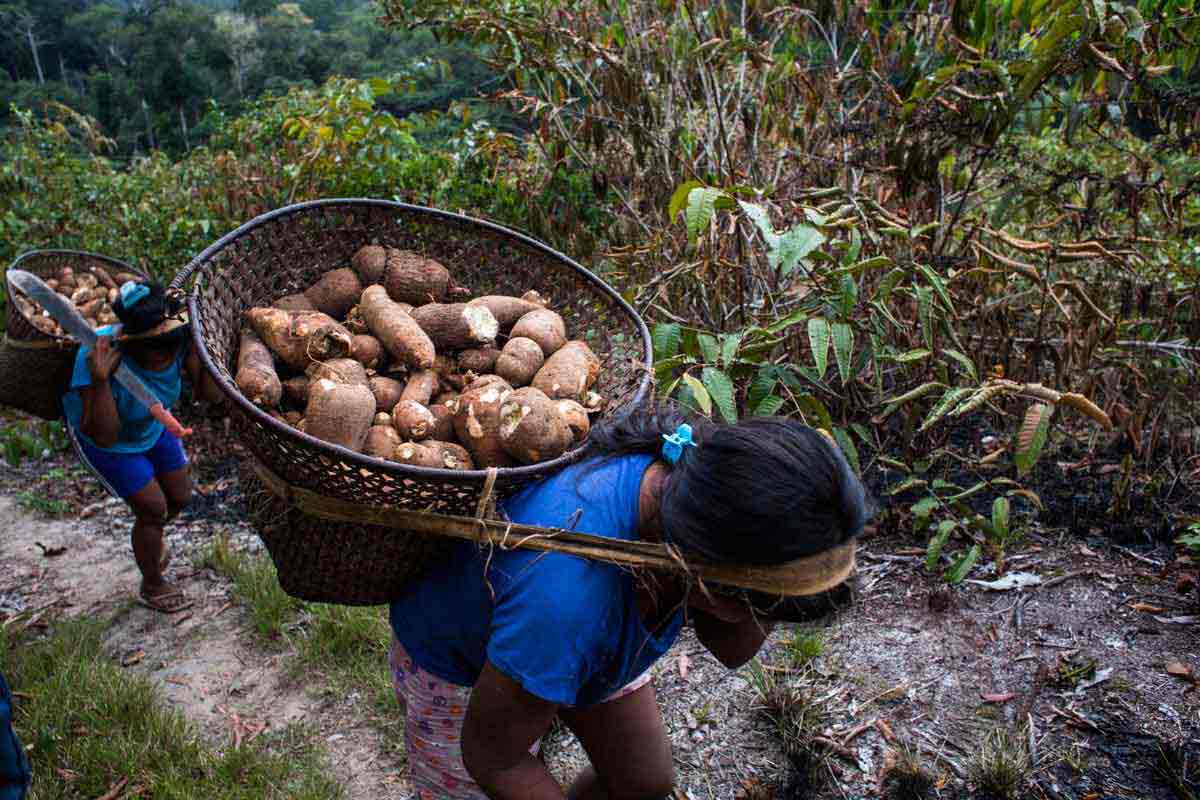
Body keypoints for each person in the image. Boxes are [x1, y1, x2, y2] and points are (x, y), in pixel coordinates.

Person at [388, 404, 871, 799]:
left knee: (643, 780)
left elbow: (731, 648)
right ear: (710, 590)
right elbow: (493, 757)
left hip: (578, 636)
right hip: (457, 661)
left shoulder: (692, 503)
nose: (765, 626)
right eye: (764, 611)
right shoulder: (567, 607)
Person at [62, 281, 212, 614]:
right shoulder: (98, 352)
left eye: (166, 346)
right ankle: (153, 581)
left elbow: (208, 396)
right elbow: (105, 435)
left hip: (152, 426)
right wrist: (101, 381)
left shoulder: (181, 338)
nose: (162, 356)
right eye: (152, 348)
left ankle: (153, 538)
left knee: (180, 496)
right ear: (132, 343)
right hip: (109, 441)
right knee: (152, 508)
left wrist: (200, 358)